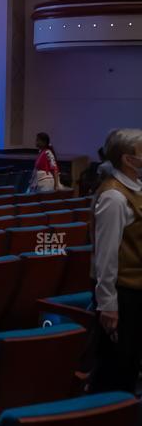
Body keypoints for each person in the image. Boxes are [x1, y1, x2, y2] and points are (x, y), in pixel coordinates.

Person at [90, 128, 142, 394]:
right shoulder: (113, 196)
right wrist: (107, 304)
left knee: (131, 362)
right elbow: (106, 255)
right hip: (121, 292)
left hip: (135, 287)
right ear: (128, 159)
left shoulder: (136, 188)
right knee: (116, 365)